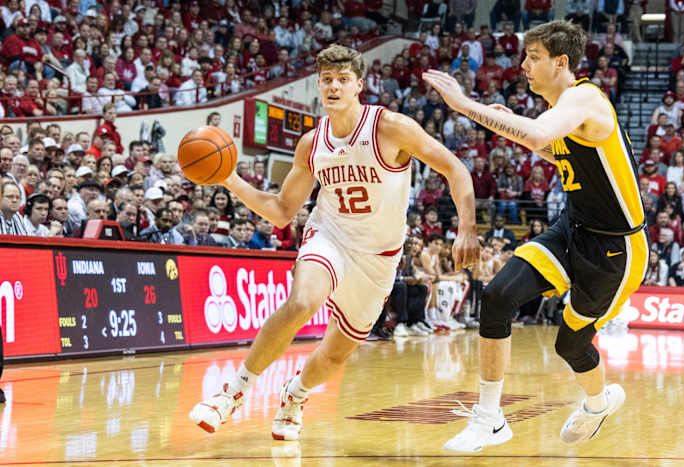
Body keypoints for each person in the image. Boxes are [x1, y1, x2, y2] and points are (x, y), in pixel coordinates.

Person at [189, 44, 479, 439]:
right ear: (319, 85)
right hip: (330, 235)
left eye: (343, 79)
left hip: (379, 258)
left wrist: (466, 228)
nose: (333, 87)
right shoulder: (312, 144)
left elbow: (456, 168)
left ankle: (295, 395)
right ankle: (232, 392)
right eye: (326, 80)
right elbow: (280, 210)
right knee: (303, 302)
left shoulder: (391, 127)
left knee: (336, 353)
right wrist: (229, 178)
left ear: (359, 85)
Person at [423, 20, 649, 452]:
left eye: (534, 57)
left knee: (571, 344)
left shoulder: (583, 97)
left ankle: (598, 402)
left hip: (616, 248)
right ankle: (490, 418)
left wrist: (464, 104)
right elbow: (553, 147)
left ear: (561, 62)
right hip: (573, 228)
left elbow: (542, 133)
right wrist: (515, 129)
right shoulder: (567, 109)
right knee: (497, 295)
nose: (523, 64)